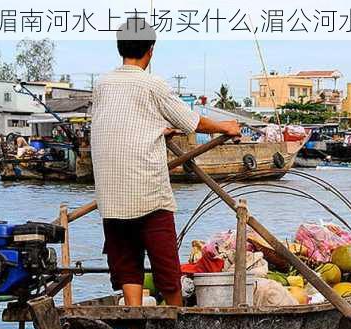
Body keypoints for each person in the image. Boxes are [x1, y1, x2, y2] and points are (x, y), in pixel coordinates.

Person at [91, 21, 241, 307]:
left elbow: (117, 124)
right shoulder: (152, 83)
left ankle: (133, 320)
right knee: (167, 271)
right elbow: (191, 121)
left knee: (127, 266)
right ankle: (176, 322)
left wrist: (158, 128)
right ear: (150, 51)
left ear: (120, 49)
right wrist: (226, 128)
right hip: (147, 194)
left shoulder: (102, 85)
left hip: (110, 196)